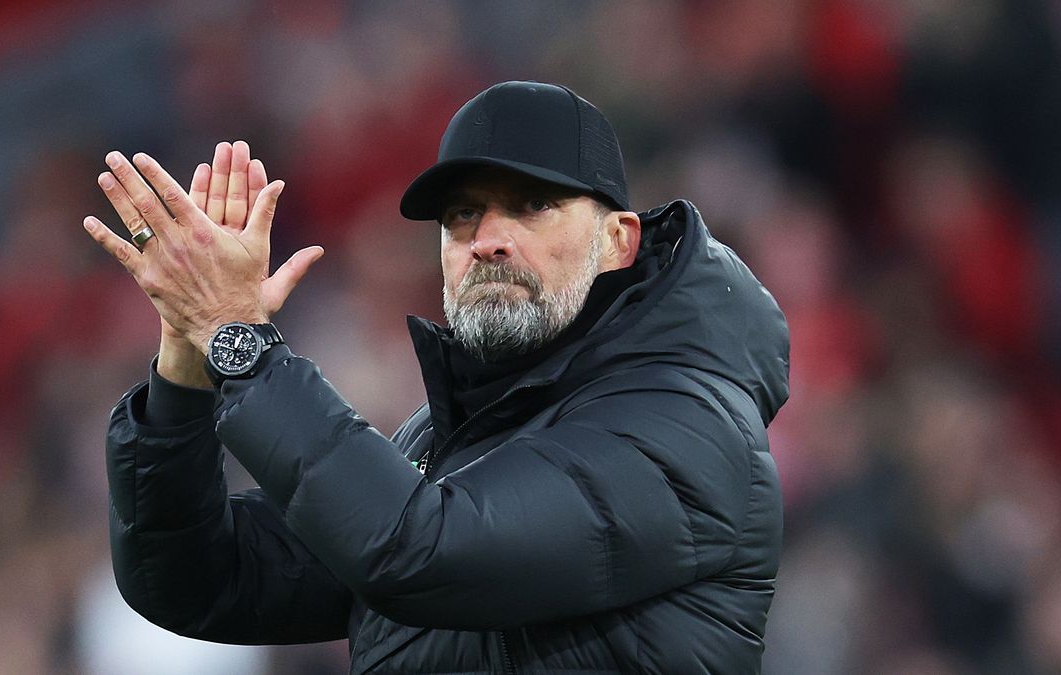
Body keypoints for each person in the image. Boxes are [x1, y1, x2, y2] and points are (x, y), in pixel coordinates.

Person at [84, 80, 790, 674]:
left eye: (533, 205)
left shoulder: (685, 420)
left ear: (618, 241)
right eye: (463, 215)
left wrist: (237, 339)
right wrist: (187, 359)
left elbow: (425, 552)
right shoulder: (442, 437)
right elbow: (193, 580)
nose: (488, 239)